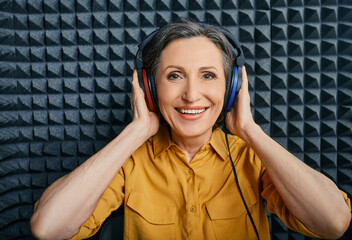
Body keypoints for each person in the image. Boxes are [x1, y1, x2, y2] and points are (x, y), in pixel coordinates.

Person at [30, 19, 351, 240]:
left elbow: (333, 223)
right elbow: (48, 228)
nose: (192, 94)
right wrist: (137, 130)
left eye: (208, 75)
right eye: (174, 76)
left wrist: (250, 130)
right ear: (149, 88)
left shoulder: (251, 158)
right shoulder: (129, 162)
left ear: (232, 87)